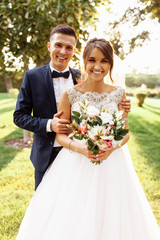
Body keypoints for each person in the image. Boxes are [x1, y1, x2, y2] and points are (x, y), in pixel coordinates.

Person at [16, 38, 160, 240]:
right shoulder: (71, 94)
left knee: (112, 213)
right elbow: (61, 135)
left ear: (111, 64)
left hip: (112, 163)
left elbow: (125, 132)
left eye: (104, 61)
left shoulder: (119, 94)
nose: (98, 66)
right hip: (76, 162)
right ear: (84, 61)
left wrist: (111, 147)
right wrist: (81, 148)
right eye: (92, 60)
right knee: (72, 214)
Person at [13, 24, 131, 190]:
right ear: (49, 46)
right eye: (58, 45)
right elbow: (19, 116)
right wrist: (49, 124)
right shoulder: (32, 76)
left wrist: (122, 105)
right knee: (47, 205)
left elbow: (103, 98)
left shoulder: (85, 75)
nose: (63, 52)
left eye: (68, 47)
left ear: (74, 50)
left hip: (84, 156)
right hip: (47, 152)